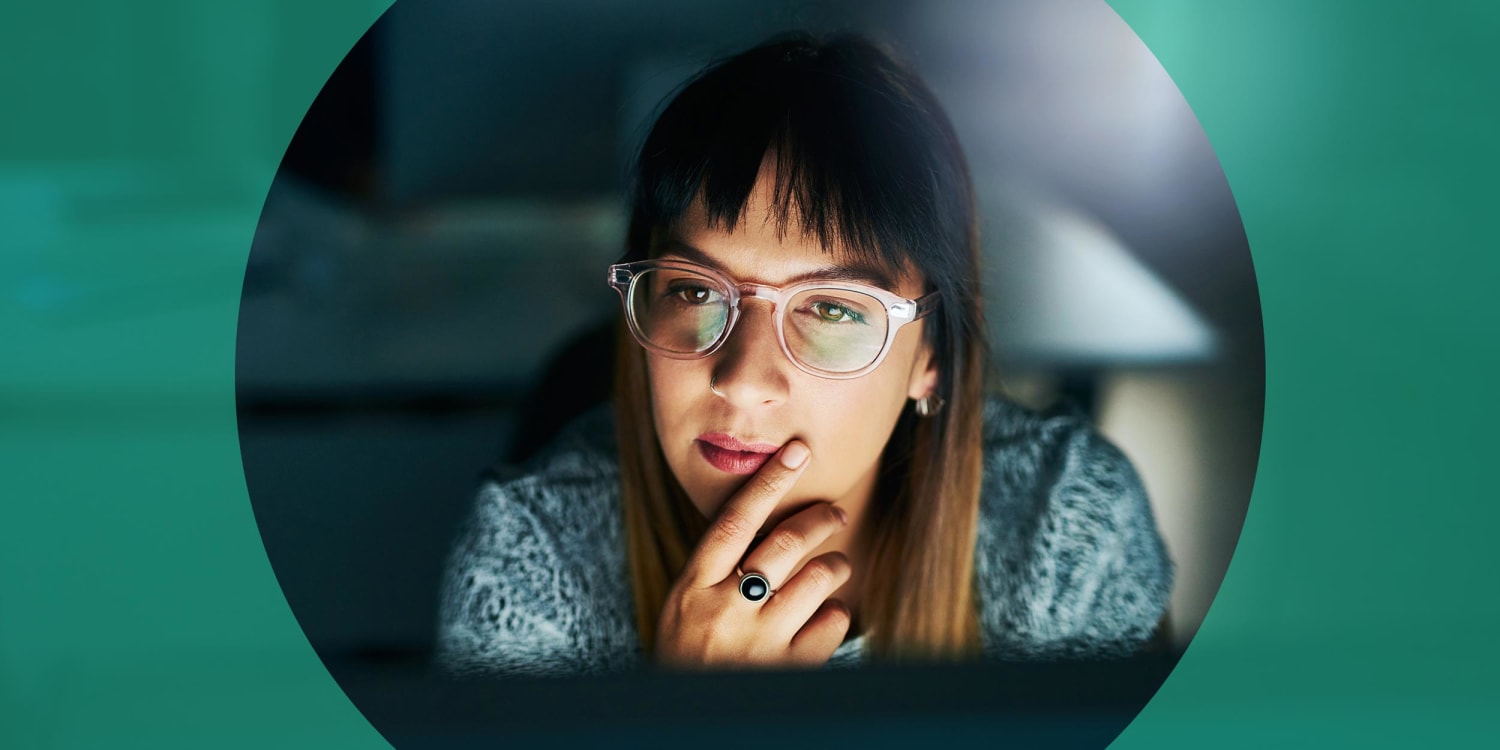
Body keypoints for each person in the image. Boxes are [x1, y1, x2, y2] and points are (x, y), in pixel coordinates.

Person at [437, 32, 1172, 676]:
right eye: (695, 293)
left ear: (932, 354)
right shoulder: (530, 561)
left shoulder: (1068, 526)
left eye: (830, 309)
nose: (743, 381)